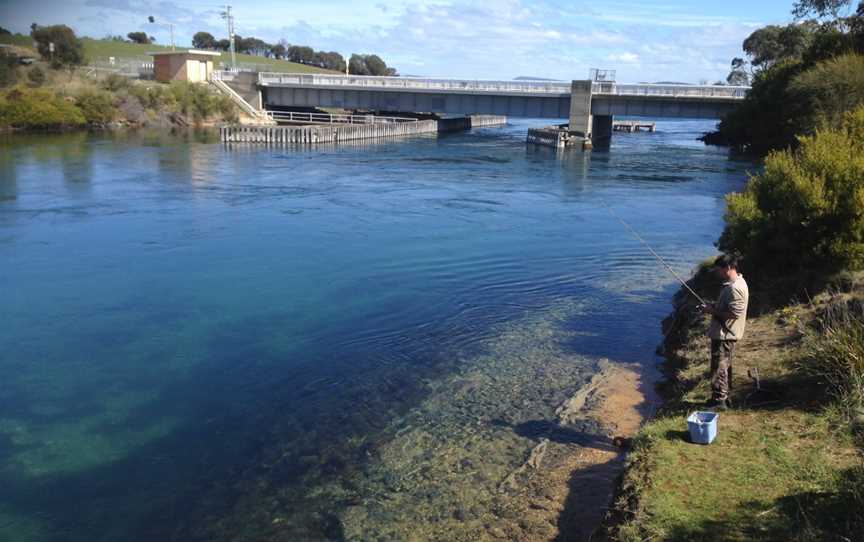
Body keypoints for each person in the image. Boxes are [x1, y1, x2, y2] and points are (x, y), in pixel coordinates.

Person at [702, 254, 749, 410]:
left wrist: (711, 311)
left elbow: (734, 314)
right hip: (725, 333)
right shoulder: (735, 283)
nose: (718, 273)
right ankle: (721, 397)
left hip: (725, 335)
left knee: (719, 367)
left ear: (729, 267)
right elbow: (728, 308)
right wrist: (713, 307)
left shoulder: (735, 288)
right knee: (723, 365)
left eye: (719, 270)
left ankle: (720, 401)